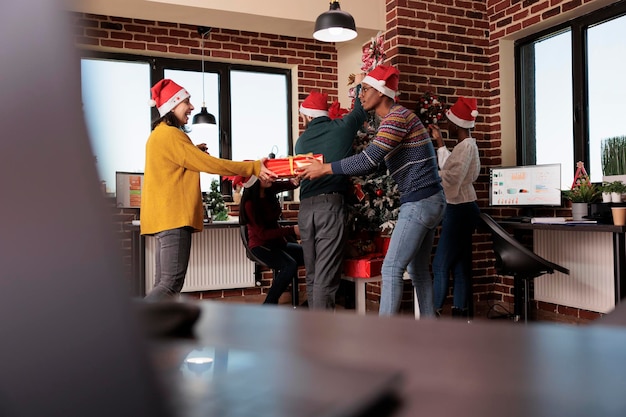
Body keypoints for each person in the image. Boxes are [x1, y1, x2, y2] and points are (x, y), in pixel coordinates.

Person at [298, 64, 446, 317]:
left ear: (381, 92)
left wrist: (325, 169)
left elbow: (369, 160)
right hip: (431, 200)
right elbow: (371, 167)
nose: (361, 95)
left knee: (391, 268)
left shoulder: (396, 118)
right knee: (419, 271)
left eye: (365, 89)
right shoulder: (396, 119)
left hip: (420, 201)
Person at [141, 79, 276, 300]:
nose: (192, 108)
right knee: (169, 285)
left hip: (163, 217)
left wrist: (192, 150)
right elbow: (211, 165)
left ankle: (154, 331)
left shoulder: (159, 135)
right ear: (172, 106)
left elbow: (174, 165)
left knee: (163, 283)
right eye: (187, 102)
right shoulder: (170, 135)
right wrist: (252, 167)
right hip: (173, 218)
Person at [293, 86, 368, 310]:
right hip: (330, 206)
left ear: (307, 116)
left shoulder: (301, 142)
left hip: (305, 210)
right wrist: (358, 87)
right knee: (326, 275)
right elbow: (360, 111)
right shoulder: (342, 127)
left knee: (313, 273)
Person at [430, 97, 481, 318]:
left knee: (440, 264)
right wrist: (440, 143)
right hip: (465, 207)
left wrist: (430, 174)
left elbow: (452, 178)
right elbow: (453, 168)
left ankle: (433, 313)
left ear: (458, 124)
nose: (447, 125)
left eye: (449, 120)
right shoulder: (467, 145)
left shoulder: (466, 147)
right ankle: (460, 314)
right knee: (459, 265)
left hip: (459, 209)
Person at [238, 175, 304, 304]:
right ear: (254, 182)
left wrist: (295, 181)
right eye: (264, 176)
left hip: (277, 244)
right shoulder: (250, 204)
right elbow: (262, 235)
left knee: (309, 254)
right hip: (260, 246)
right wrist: (292, 230)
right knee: (289, 265)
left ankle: (313, 300)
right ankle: (269, 305)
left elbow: (289, 184)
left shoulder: (269, 189)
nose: (270, 178)